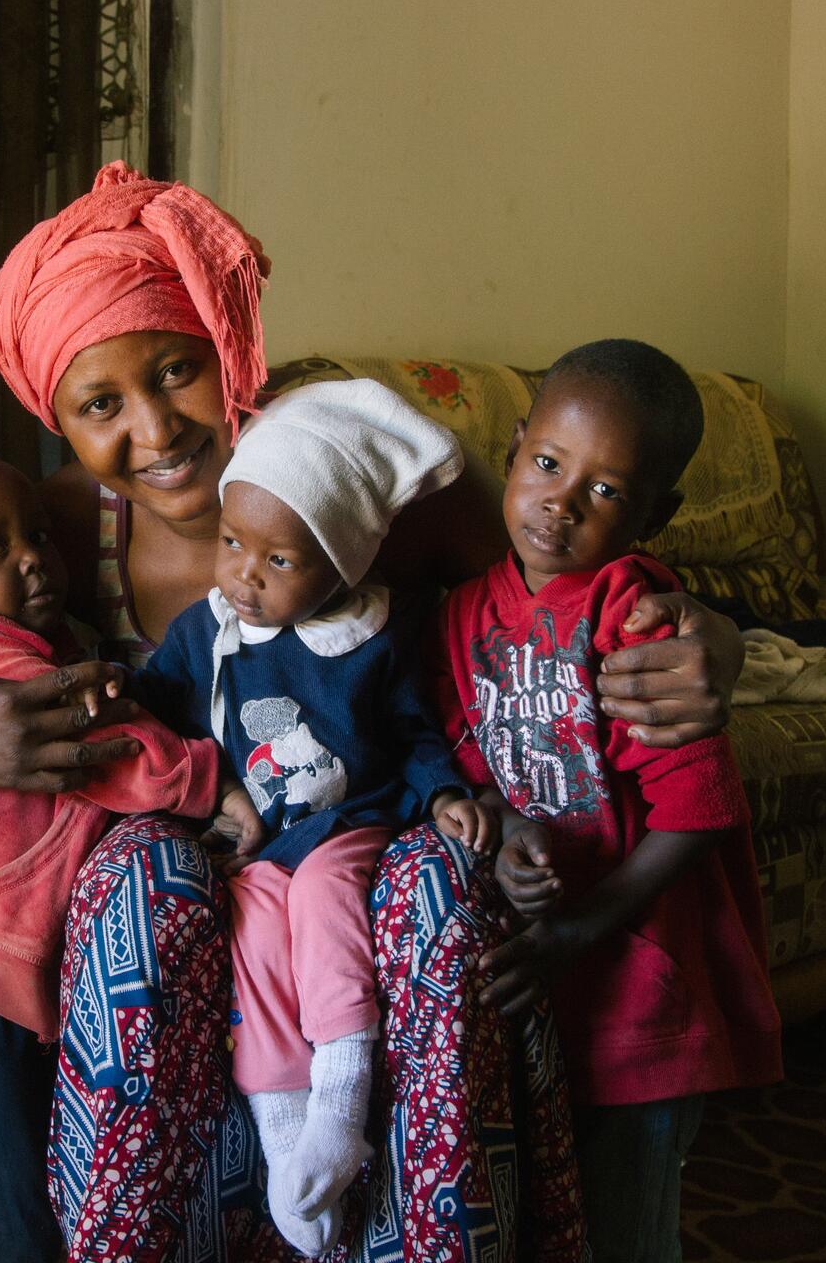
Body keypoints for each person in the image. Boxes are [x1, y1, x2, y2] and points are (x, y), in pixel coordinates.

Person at [0, 164, 745, 1262]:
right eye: (99, 406)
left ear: (223, 353)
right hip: (164, 906)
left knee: (424, 898)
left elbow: (550, 595)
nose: (157, 429)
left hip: (343, 864)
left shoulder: (359, 480)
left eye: (176, 370)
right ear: (60, 421)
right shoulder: (56, 533)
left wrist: (715, 632)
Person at [433, 339, 784, 1263]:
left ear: (653, 515)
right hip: (547, 989)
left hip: (638, 986)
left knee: (627, 1231)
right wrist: (505, 834)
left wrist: (581, 929)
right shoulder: (462, 614)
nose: (561, 500)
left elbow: (699, 811)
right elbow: (474, 766)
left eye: (606, 490)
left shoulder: (636, 620)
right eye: (548, 464)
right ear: (513, 449)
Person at [136, 380, 498, 1256]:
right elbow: (156, 710)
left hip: (348, 830)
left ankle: (341, 1099)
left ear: (344, 564)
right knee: (255, 939)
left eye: (280, 561)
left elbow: (414, 730)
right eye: (232, 544)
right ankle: (283, 1126)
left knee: (326, 904)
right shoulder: (207, 632)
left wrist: (446, 792)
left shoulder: (377, 635)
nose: (244, 576)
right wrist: (118, 704)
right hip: (257, 851)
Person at [0, 451, 225, 1262]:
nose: (32, 557)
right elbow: (103, 749)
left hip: (16, 955)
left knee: (24, 1183)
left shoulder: (43, 636)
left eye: (40, 537)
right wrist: (206, 779)